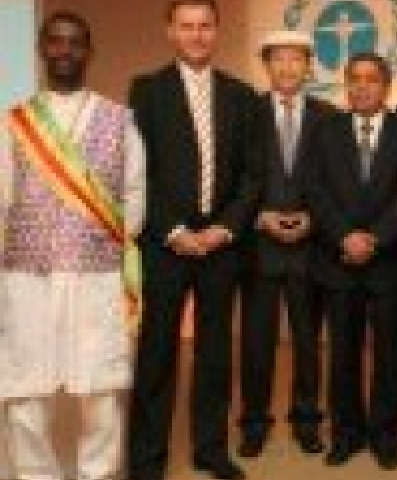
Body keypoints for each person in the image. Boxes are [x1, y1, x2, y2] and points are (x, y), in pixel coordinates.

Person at [0, 11, 145, 480]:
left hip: (96, 275)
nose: (65, 50)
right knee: (26, 388)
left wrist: (101, 242)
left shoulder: (119, 119)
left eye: (75, 42)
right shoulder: (15, 123)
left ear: (89, 51)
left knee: (98, 390)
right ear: (42, 49)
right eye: (56, 41)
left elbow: (134, 195)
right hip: (29, 276)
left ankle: (96, 474)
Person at [126, 1, 259, 479]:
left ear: (216, 31)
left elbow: (253, 174)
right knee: (157, 354)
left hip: (222, 247)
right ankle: (147, 458)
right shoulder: (146, 92)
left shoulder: (242, 96)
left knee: (215, 354)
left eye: (205, 26)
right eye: (187, 26)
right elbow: (138, 172)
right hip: (166, 245)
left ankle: (210, 448)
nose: (197, 34)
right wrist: (175, 231)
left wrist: (225, 228)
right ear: (170, 31)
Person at [305, 52, 397, 470]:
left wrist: (374, 238)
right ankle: (346, 435)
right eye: (354, 79)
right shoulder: (325, 131)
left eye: (371, 79)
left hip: (390, 261)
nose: (362, 87)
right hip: (337, 260)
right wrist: (344, 235)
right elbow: (315, 190)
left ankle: (386, 435)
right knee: (343, 355)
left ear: (386, 86)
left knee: (390, 356)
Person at [237, 29, 335, 459]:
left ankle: (307, 420)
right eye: (279, 58)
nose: (288, 67)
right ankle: (254, 423)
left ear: (309, 66)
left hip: (311, 248)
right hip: (260, 247)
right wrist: (259, 216)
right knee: (256, 343)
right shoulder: (247, 114)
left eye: (296, 59)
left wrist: (315, 219)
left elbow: (336, 180)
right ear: (267, 65)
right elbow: (235, 177)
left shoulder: (329, 117)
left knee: (308, 343)